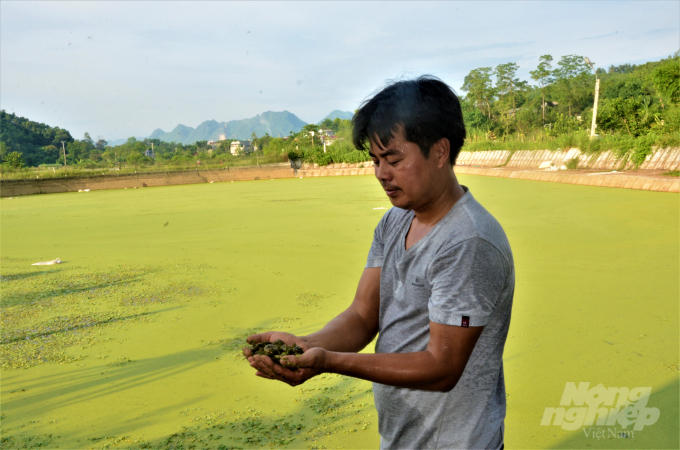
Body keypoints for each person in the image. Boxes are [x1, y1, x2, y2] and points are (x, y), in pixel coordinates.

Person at [244, 76, 514, 450]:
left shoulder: (468, 241)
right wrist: (306, 346)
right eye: (375, 161)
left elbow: (442, 367)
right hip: (402, 438)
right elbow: (362, 314)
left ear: (439, 152)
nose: (381, 174)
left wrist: (329, 362)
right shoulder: (396, 219)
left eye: (394, 159)